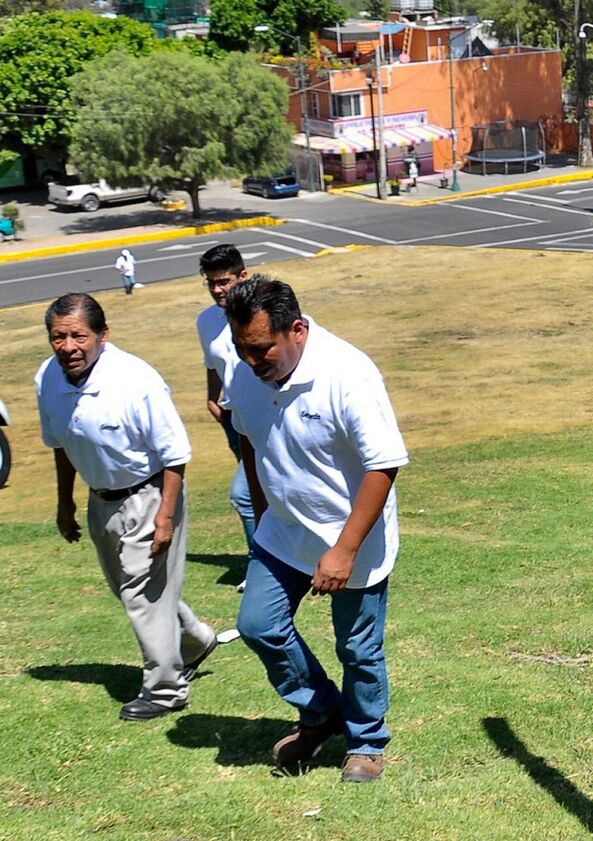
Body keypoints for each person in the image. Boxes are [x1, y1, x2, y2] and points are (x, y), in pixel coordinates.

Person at [224, 277, 409, 784]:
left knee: (356, 647)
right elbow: (249, 439)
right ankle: (323, 710)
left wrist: (344, 551)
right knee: (258, 624)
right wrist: (263, 514)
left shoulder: (347, 373)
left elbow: (384, 465)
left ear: (298, 330)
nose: (251, 361)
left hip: (354, 537)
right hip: (283, 532)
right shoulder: (245, 371)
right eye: (242, 349)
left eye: (262, 349)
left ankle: (366, 741)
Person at [34, 293, 227, 720]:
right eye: (58, 337)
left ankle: (165, 690)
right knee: (133, 590)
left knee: (141, 593)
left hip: (151, 492)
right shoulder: (47, 378)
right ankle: (195, 640)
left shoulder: (136, 379)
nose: (68, 347)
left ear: (103, 336)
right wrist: (64, 504)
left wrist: (165, 517)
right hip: (100, 498)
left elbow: (175, 454)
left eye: (79, 336)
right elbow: (61, 445)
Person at [195, 244, 257, 561]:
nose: (217, 290)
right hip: (234, 420)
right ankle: (278, 557)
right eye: (211, 283)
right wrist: (211, 399)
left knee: (244, 495)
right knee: (260, 492)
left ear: (243, 276)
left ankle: (262, 560)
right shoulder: (205, 322)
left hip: (268, 416)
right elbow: (212, 362)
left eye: (224, 281)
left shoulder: (265, 311)